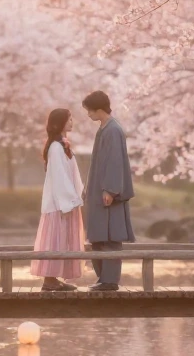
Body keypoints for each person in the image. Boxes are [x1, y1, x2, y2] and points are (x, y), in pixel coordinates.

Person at [82, 90, 134, 291]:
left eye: (90, 110)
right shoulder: (104, 128)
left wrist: (110, 190)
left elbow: (114, 162)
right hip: (98, 192)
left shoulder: (113, 130)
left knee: (110, 235)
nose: (88, 115)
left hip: (107, 193)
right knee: (98, 235)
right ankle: (103, 278)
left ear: (99, 108)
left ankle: (110, 281)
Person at [32, 108, 83, 291]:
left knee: (60, 240)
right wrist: (70, 199)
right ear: (60, 122)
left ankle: (53, 279)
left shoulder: (62, 145)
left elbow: (71, 173)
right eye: (69, 119)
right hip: (59, 204)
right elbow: (60, 176)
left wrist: (78, 193)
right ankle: (49, 279)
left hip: (64, 202)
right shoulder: (55, 147)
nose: (72, 122)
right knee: (55, 240)